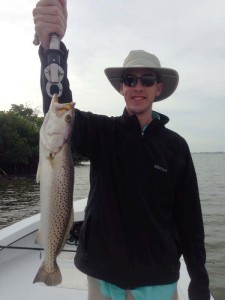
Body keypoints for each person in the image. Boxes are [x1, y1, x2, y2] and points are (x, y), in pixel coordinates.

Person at [33, 1, 211, 299]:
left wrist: (199, 280)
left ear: (159, 89)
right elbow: (59, 104)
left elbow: (190, 220)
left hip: (159, 279)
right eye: (130, 79)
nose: (137, 86)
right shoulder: (102, 132)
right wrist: (52, 49)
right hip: (103, 277)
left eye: (147, 80)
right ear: (121, 88)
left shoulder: (176, 147)